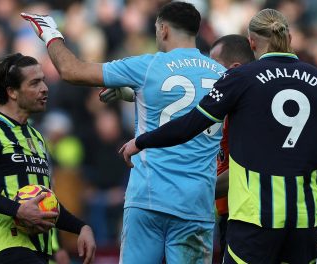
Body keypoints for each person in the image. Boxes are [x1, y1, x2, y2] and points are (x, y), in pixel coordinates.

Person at [21, 2, 227, 262]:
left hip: (148, 200)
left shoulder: (148, 66)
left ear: (163, 30)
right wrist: (134, 94)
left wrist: (50, 33)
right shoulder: (223, 75)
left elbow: (72, 71)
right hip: (196, 204)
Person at [120, 8, 317, 264]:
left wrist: (142, 141)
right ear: (289, 39)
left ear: (251, 42)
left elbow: (191, 124)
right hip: (304, 219)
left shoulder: (240, 78)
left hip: (254, 219)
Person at [0, 53, 95, 264]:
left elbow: (45, 201)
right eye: (35, 83)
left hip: (40, 251)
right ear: (12, 92)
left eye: (43, 80)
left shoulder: (37, 137)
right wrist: (18, 210)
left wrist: (81, 227)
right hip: (7, 248)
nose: (45, 88)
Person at [209, 34, 255, 261]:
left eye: (213, 65)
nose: (208, 72)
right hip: (229, 213)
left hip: (246, 216)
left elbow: (241, 168)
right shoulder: (224, 103)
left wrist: (195, 192)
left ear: (234, 68)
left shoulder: (246, 109)